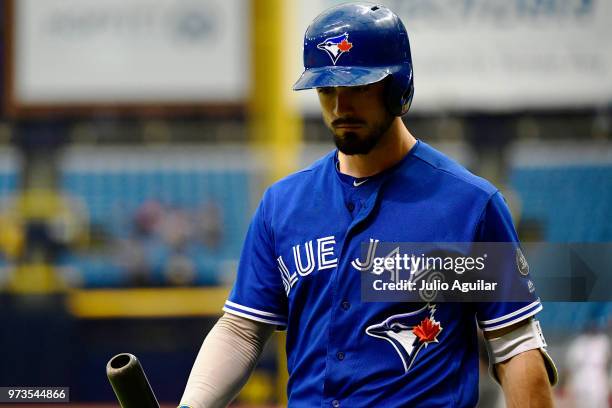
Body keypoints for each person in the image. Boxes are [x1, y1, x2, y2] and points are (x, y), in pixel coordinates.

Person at [179, 3, 557, 407]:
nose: (341, 108)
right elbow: (242, 330)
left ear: (398, 88)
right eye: (327, 91)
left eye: (358, 88)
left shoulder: (469, 207)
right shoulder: (282, 204)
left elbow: (514, 347)